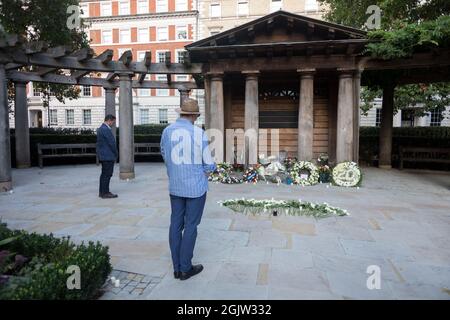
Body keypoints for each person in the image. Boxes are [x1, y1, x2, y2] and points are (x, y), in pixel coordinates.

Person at [160, 98, 216, 281]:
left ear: (181, 113)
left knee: (175, 225)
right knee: (191, 225)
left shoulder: (167, 131)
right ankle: (185, 268)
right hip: (195, 188)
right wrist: (207, 171)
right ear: (194, 115)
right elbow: (209, 165)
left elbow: (164, 154)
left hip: (175, 186)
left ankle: (176, 268)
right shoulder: (198, 133)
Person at [96, 114, 118, 199]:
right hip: (108, 156)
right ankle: (105, 193)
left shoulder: (101, 129)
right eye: (113, 122)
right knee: (107, 174)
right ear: (109, 120)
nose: (113, 124)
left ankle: (102, 192)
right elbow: (112, 143)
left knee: (104, 174)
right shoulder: (105, 129)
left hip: (104, 156)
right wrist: (116, 153)